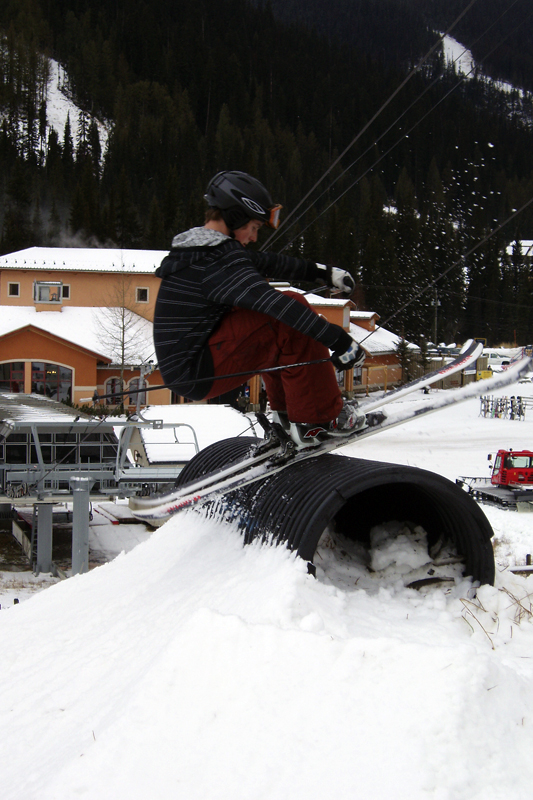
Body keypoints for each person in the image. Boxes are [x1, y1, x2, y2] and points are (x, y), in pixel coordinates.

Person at [153, 170, 366, 446]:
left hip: (191, 367)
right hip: (198, 369)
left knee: (276, 321)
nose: (254, 236)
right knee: (288, 312)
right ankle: (320, 419)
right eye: (253, 227)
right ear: (235, 218)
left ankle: (289, 415)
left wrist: (323, 273)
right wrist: (340, 341)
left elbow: (265, 262)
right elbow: (277, 305)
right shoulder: (219, 261)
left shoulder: (200, 251)